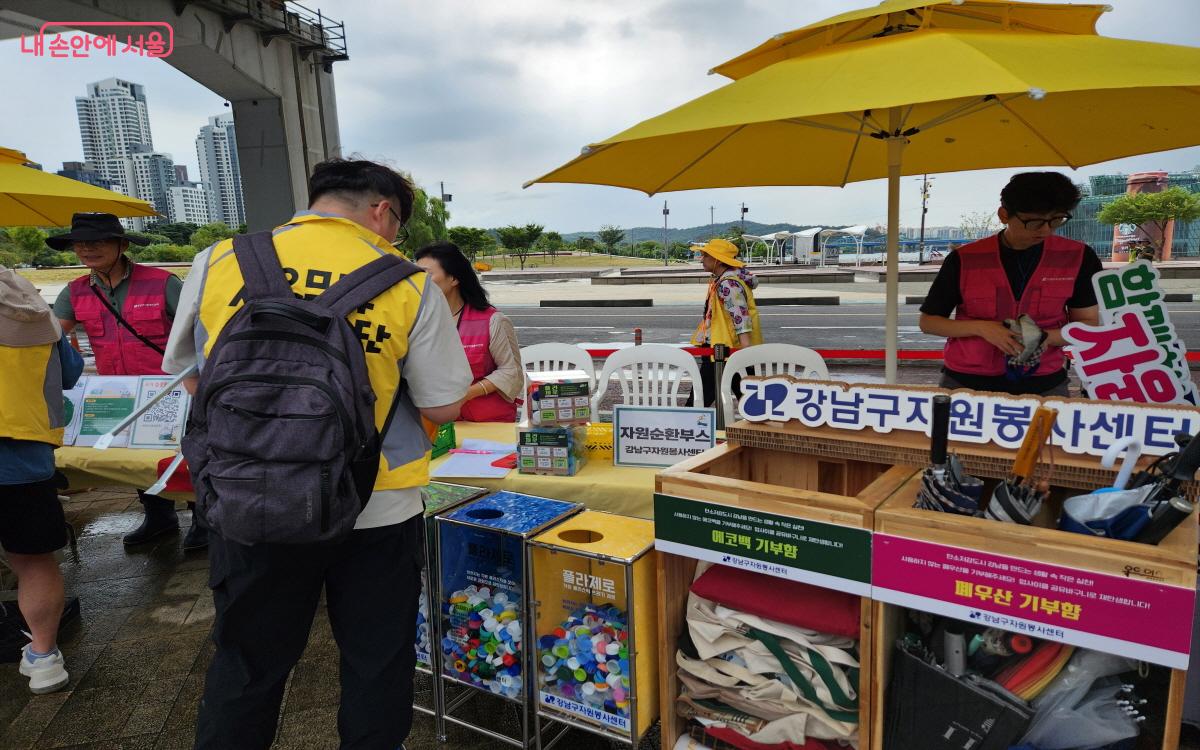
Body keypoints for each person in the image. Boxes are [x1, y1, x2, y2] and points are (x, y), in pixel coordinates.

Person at [161, 158, 471, 750]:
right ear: (382, 211)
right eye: (398, 224)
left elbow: (188, 373)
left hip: (250, 499)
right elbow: (445, 404)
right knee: (376, 662)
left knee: (247, 661)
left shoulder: (221, 260)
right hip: (376, 505)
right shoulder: (407, 281)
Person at [49, 213, 205, 550]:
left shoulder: (162, 282)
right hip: (119, 392)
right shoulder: (73, 292)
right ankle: (158, 517)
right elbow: (51, 338)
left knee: (184, 451)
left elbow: (197, 331)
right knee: (136, 454)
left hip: (172, 390)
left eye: (97, 241)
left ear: (121, 245)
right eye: (81, 243)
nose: (87, 249)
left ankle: (202, 518)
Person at [919, 172, 1103, 397]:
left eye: (1056, 220)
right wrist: (982, 328)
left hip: (1043, 382)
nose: (1045, 230)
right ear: (1004, 215)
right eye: (1034, 221)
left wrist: (1046, 338)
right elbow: (929, 322)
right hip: (966, 383)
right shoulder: (965, 258)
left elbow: (1088, 324)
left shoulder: (1079, 257)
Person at [0, 267, 84, 694]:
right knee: (33, 561)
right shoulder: (33, 311)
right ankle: (44, 658)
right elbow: (70, 374)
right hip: (25, 460)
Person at [415, 241, 522, 422]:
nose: (418, 283)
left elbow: (511, 372)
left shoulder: (493, 320)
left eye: (426, 275)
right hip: (436, 425)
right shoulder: (417, 321)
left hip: (487, 423)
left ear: (454, 278)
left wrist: (466, 394)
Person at [689, 238, 762, 407]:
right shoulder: (725, 279)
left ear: (717, 260)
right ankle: (763, 429)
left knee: (697, 403)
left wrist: (745, 354)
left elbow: (741, 317)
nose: (701, 259)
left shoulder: (728, 284)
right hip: (728, 349)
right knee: (752, 403)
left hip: (725, 351)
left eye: (705, 255)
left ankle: (688, 429)